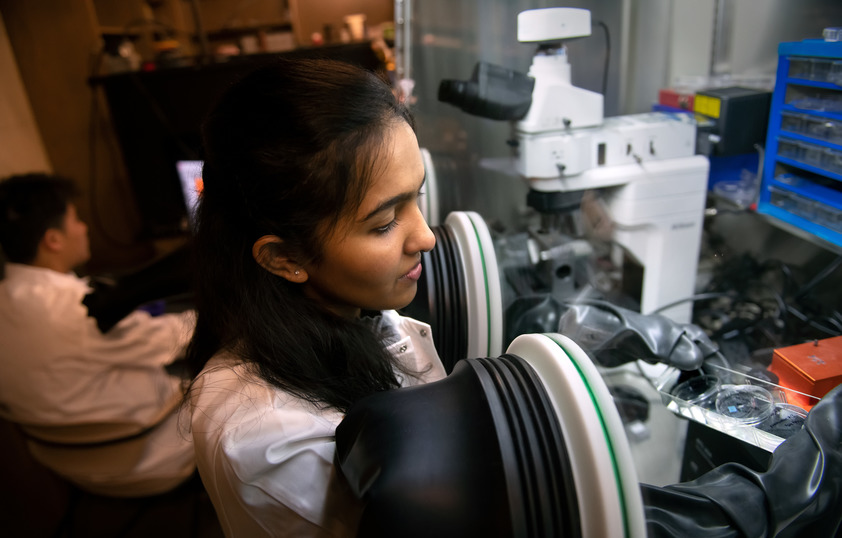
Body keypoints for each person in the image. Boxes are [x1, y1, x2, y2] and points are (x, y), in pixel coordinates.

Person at [183, 57, 446, 537]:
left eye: (417, 198)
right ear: (284, 258)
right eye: (385, 223)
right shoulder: (273, 440)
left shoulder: (346, 310)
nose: (426, 237)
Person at [0, 173, 197, 497]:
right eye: (76, 219)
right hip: (149, 456)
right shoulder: (79, 308)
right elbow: (176, 339)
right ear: (53, 240)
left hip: (67, 465)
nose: (84, 228)